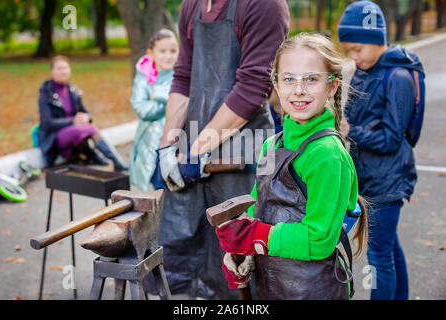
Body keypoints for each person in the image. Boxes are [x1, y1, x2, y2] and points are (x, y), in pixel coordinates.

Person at [215, 33, 368, 300]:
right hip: (271, 283)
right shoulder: (272, 145)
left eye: (311, 79)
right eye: (288, 79)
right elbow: (257, 207)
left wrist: (257, 237)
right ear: (276, 83)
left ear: (331, 86)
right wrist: (244, 254)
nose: (299, 90)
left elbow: (319, 240)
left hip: (313, 289)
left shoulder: (327, 155)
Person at [154, 0, 289, 299]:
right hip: (196, 150)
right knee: (188, 262)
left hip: (243, 155)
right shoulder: (192, 6)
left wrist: (193, 154)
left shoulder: (264, 6)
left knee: (242, 262)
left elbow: (252, 89)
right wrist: (167, 147)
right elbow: (183, 77)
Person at [337, 1, 424, 300]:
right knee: (389, 247)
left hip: (387, 182)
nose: (353, 56)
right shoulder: (367, 69)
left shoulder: (397, 77)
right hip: (370, 177)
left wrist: (351, 131)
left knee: (379, 256)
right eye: (348, 50)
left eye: (357, 49)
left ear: (376, 40)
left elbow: (390, 138)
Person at [37, 55, 128, 171]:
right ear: (52, 71)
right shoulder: (46, 92)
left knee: (89, 127)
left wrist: (86, 118)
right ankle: (114, 160)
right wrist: (72, 121)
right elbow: (47, 123)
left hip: (76, 132)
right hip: (55, 136)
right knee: (91, 128)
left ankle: (111, 159)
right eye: (59, 68)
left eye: (65, 68)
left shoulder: (73, 90)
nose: (63, 71)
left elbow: (87, 114)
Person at [129, 29, 178, 192]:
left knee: (179, 188)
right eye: (162, 51)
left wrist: (157, 94)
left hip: (178, 142)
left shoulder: (181, 74)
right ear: (151, 53)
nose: (168, 56)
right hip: (152, 143)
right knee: (160, 189)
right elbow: (142, 109)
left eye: (173, 51)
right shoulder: (144, 76)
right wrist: (171, 100)